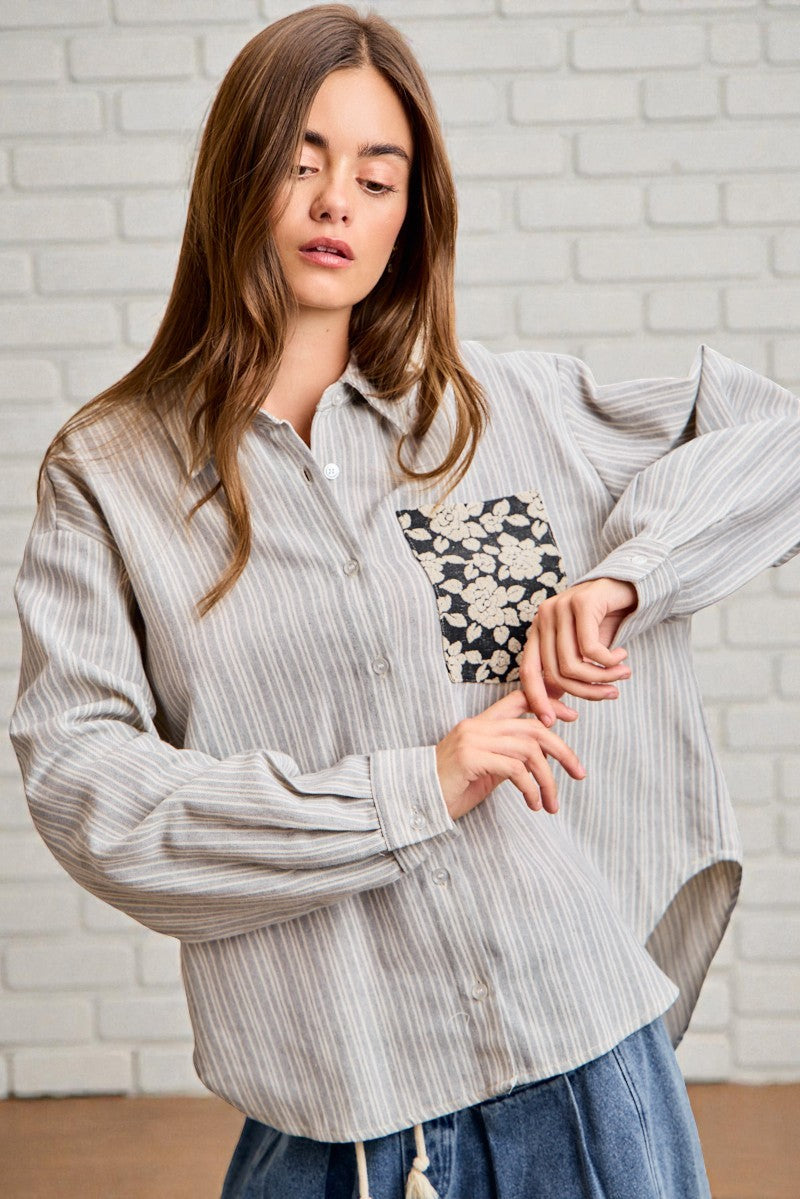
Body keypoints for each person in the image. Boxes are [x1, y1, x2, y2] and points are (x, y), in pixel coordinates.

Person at [8, 5, 800, 1198]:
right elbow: (89, 793)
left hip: (587, 1072)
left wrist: (621, 573)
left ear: (406, 216)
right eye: (303, 159)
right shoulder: (107, 474)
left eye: (378, 178)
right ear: (236, 175)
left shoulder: (506, 410)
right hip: (336, 1112)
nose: (338, 201)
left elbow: (774, 439)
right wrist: (411, 787)